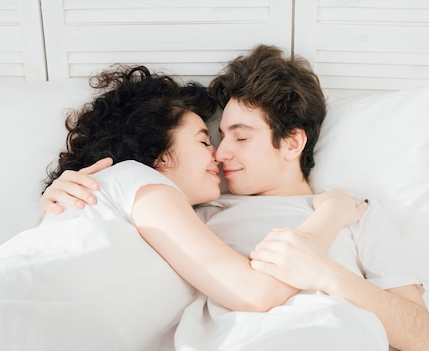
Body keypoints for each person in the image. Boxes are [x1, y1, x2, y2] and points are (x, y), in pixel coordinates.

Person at [42, 46, 429, 351]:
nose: (220, 152)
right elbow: (109, 219)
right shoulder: (196, 208)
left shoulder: (356, 212)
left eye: (241, 137)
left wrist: (326, 275)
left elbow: (422, 337)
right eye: (215, 137)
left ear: (292, 142)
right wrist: (66, 192)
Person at [40, 63, 364, 313]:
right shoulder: (139, 182)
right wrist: (333, 215)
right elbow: (255, 292)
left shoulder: (122, 195)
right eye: (205, 140)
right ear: (161, 156)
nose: (219, 155)